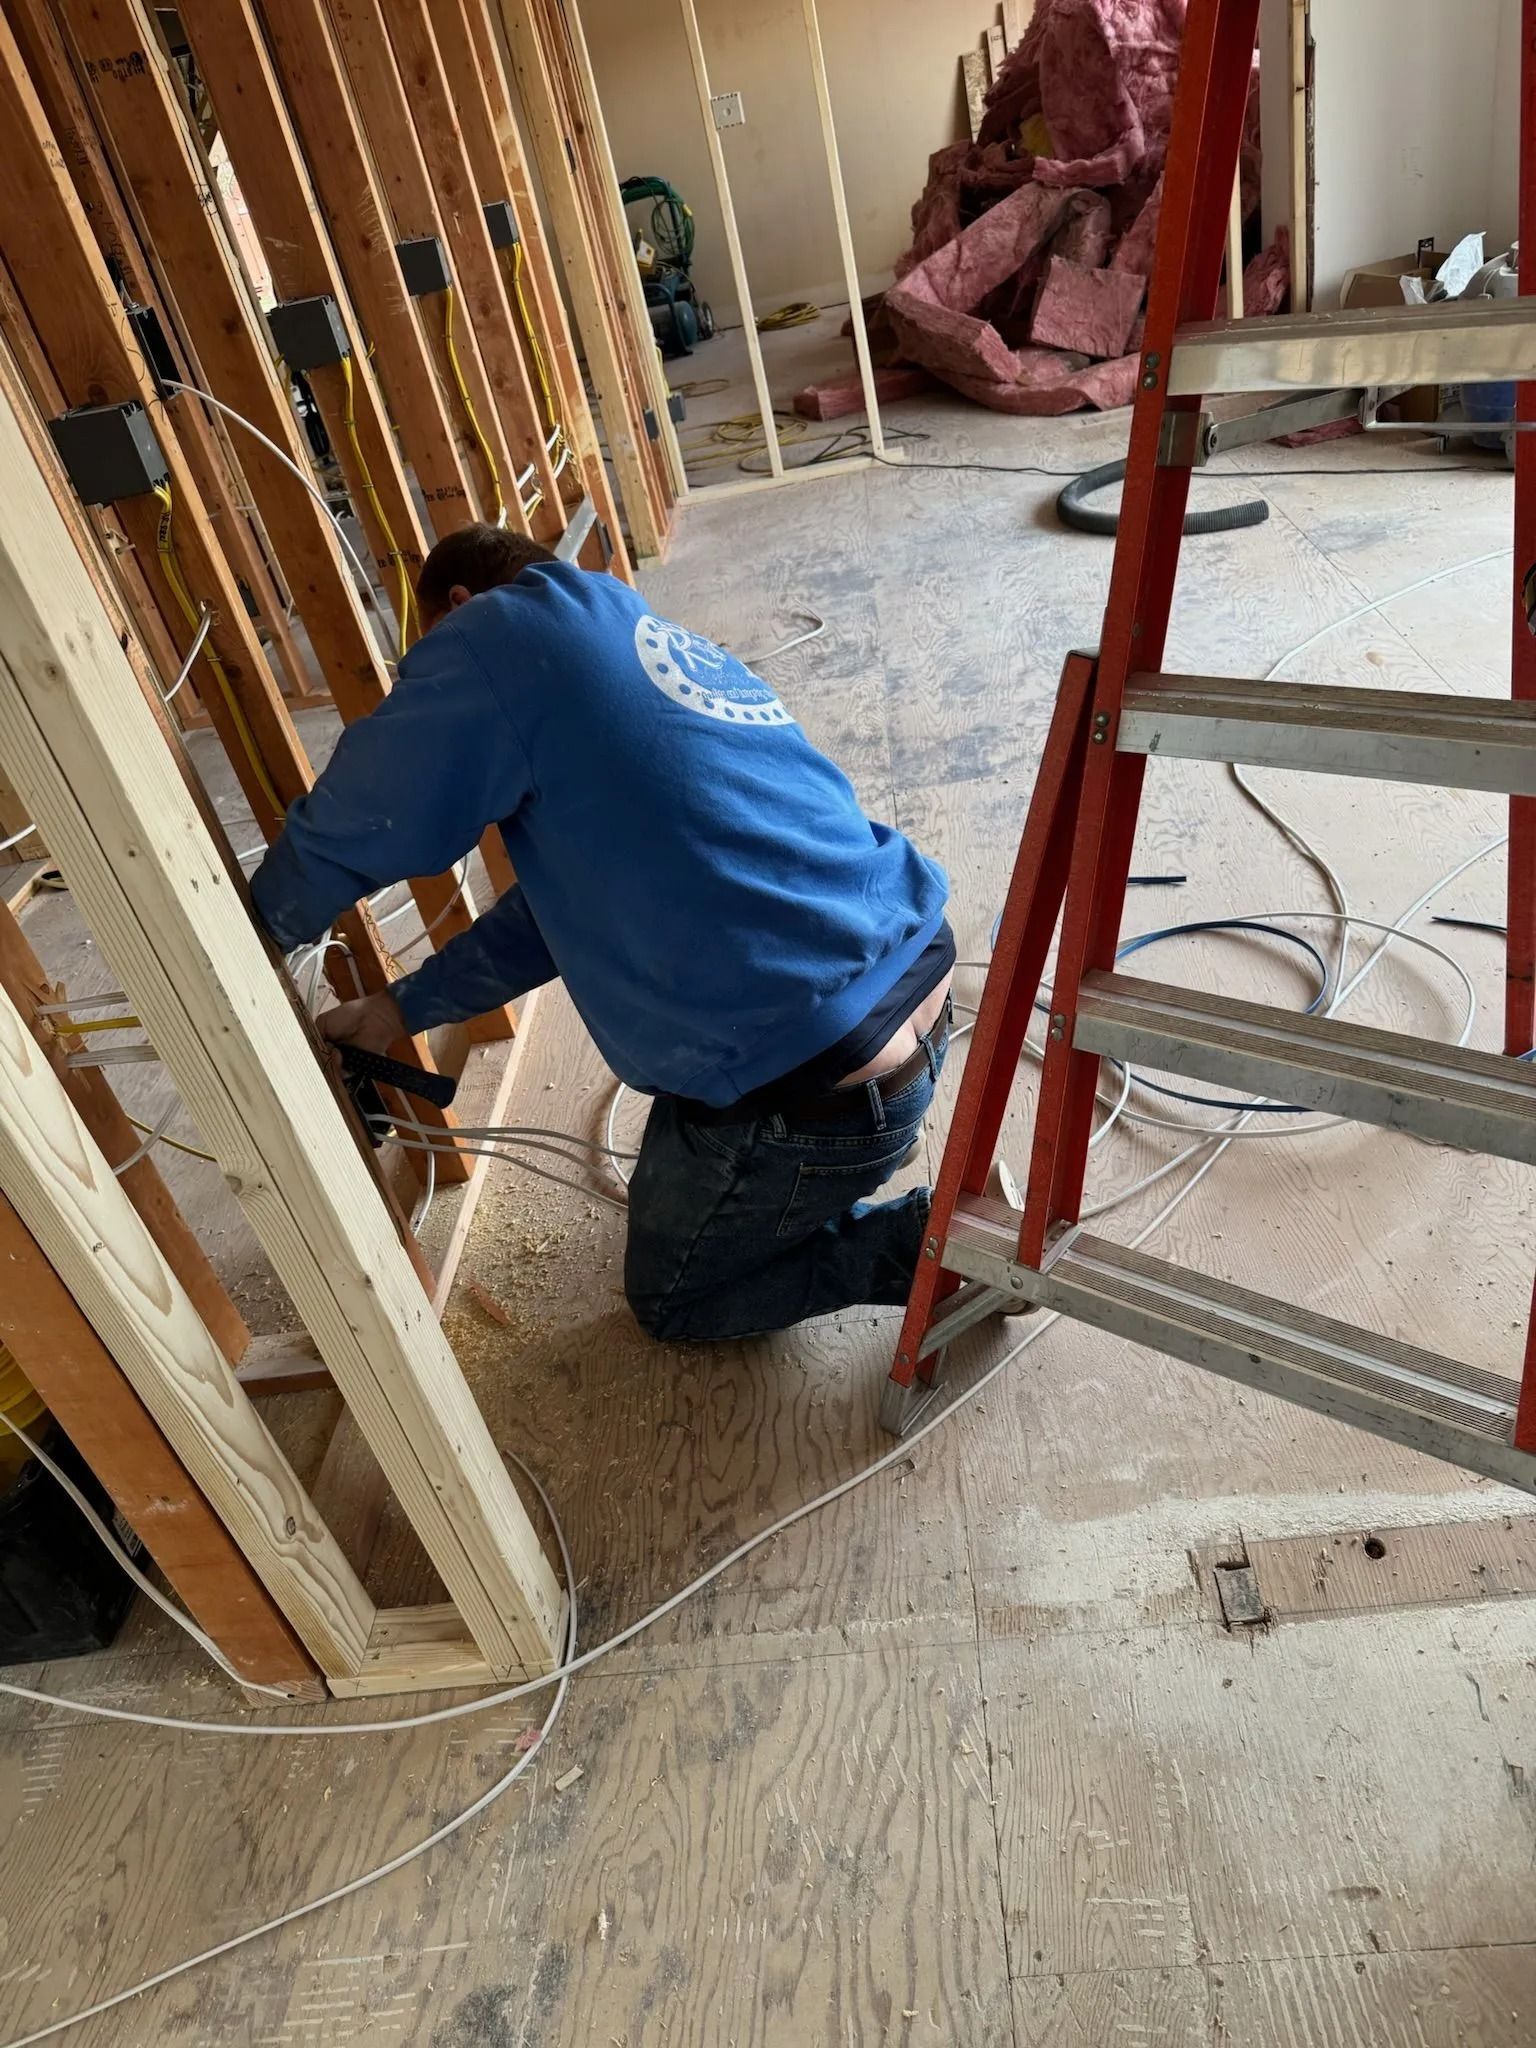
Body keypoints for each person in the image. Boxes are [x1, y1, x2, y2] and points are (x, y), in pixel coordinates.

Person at [251, 524, 954, 1342]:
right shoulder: (628, 639)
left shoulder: (495, 632)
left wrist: (252, 933)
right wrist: (398, 1010)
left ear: (458, 604)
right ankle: (826, 1173)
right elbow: (551, 924)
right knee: (697, 1153)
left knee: (676, 1303)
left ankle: (933, 1249)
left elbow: (363, 817)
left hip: (823, 1088)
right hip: (916, 994)